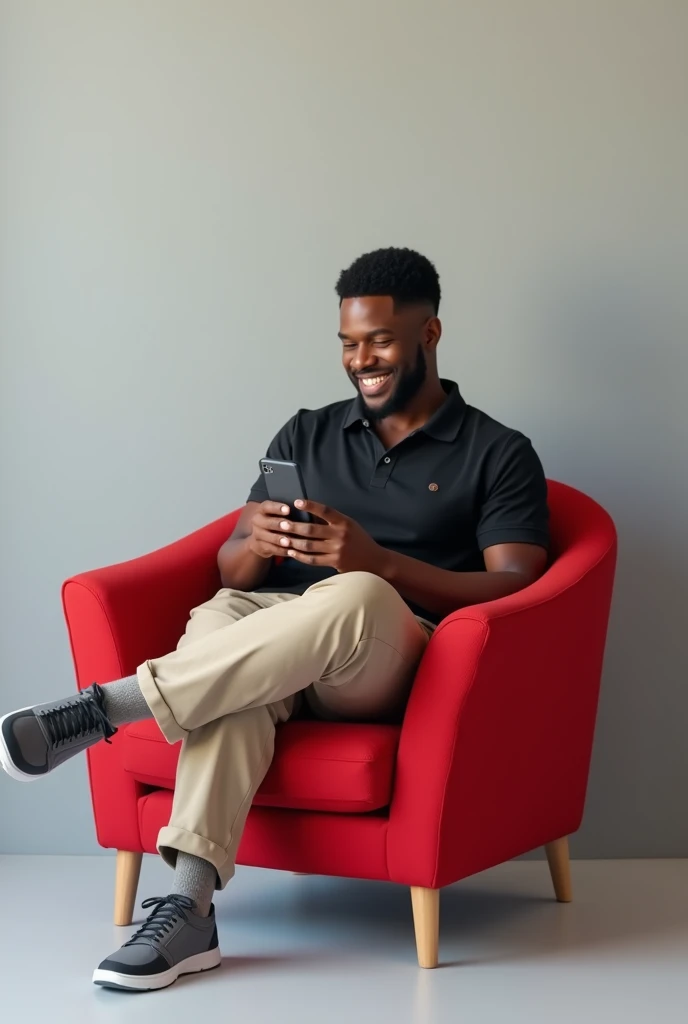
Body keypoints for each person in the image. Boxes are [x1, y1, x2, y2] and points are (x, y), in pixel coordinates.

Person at [0, 247, 549, 991]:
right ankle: (189, 910)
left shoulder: (497, 452)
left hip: (382, 654)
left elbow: (516, 584)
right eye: (349, 344)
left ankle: (110, 706)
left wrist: (378, 562)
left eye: (380, 341)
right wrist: (252, 544)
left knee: (350, 596)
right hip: (272, 638)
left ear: (431, 334)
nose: (362, 360)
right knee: (223, 621)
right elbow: (229, 570)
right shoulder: (305, 432)